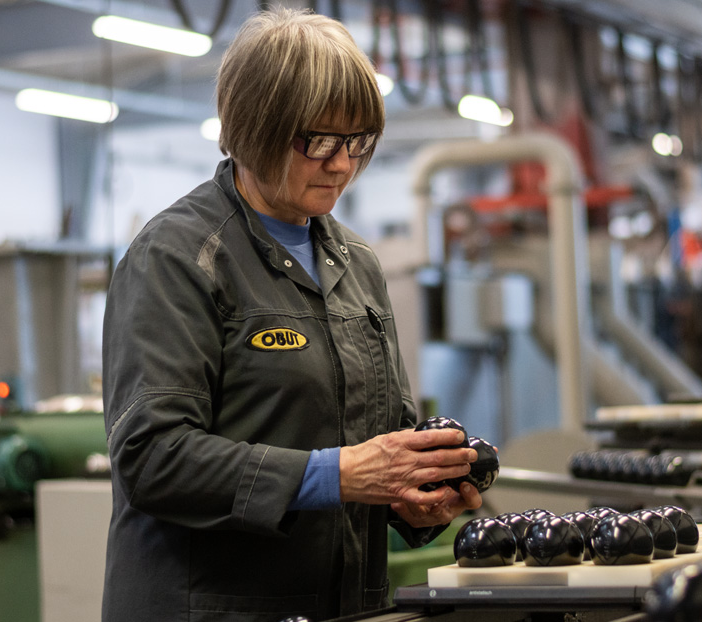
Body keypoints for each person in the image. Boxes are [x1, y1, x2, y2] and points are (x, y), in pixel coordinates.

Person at [100, 7, 483, 622]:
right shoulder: (178, 258)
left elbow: (379, 447)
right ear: (254, 129)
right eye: (321, 142)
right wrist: (337, 475)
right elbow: (152, 456)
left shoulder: (357, 262)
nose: (342, 165)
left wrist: (413, 499)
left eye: (358, 143)